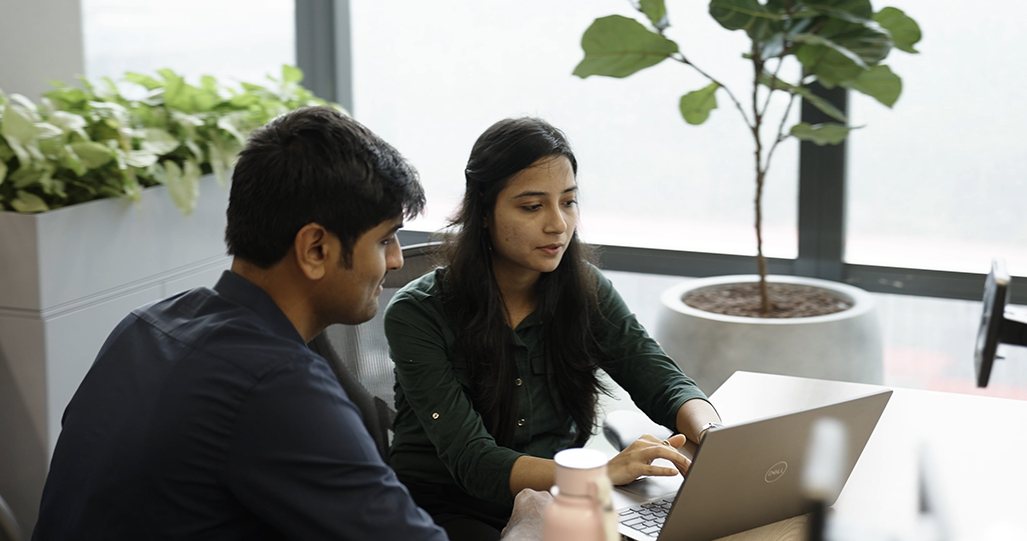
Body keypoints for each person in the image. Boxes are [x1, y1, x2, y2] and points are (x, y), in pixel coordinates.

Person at [32, 106, 549, 540]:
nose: (394, 262)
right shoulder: (275, 388)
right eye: (384, 239)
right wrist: (530, 525)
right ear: (316, 248)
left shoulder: (146, 327)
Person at [384, 117, 723, 541]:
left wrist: (713, 434)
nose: (558, 224)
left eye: (568, 202)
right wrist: (602, 472)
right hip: (442, 509)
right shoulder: (418, 313)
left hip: (557, 499)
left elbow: (661, 379)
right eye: (532, 206)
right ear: (484, 212)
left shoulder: (585, 290)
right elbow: (473, 461)